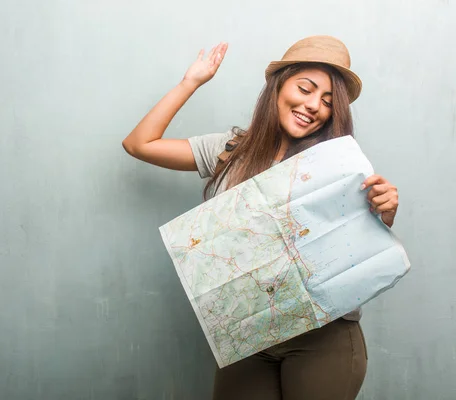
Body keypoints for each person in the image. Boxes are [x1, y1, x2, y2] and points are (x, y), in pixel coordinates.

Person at [122, 35, 399, 400]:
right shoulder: (232, 149)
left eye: (328, 102)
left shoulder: (338, 167)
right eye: (305, 88)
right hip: (247, 334)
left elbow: (361, 240)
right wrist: (190, 82)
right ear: (278, 86)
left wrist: (386, 208)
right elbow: (139, 144)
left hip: (323, 337)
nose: (313, 105)